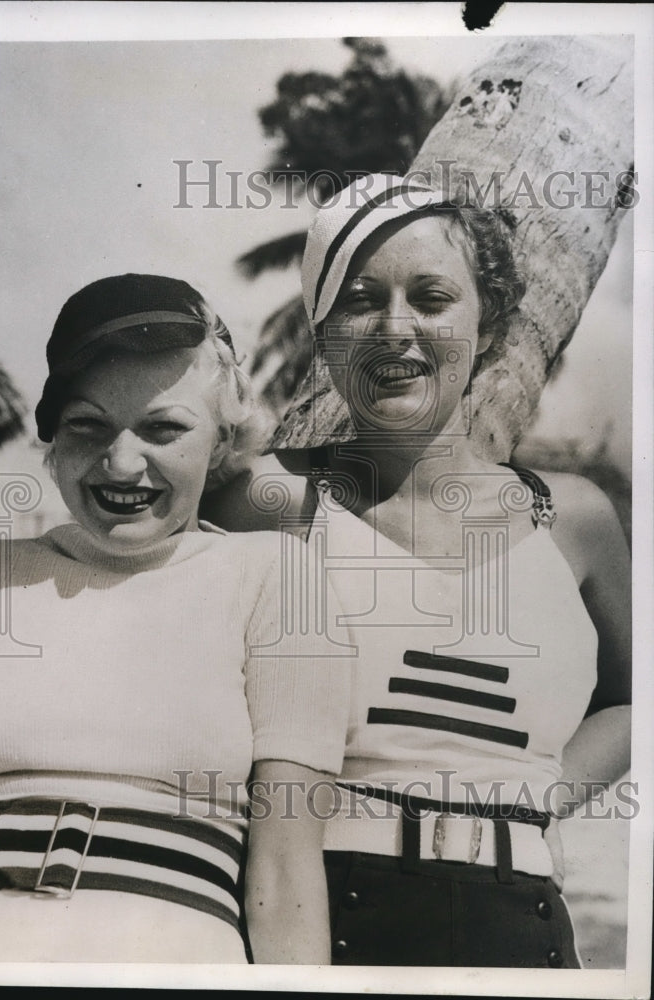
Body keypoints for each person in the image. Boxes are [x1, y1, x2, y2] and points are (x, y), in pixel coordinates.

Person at [201, 174, 632, 967]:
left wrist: (540, 792)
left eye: (431, 298)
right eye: (361, 301)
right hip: (320, 912)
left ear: (491, 324)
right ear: (325, 332)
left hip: (527, 926)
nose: (395, 329)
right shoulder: (265, 498)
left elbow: (633, 702)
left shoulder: (573, 519)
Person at [0, 273, 351, 964]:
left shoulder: (275, 580)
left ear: (218, 441)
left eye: (163, 429)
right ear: (52, 438)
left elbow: (286, 873)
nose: (122, 463)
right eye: (87, 425)